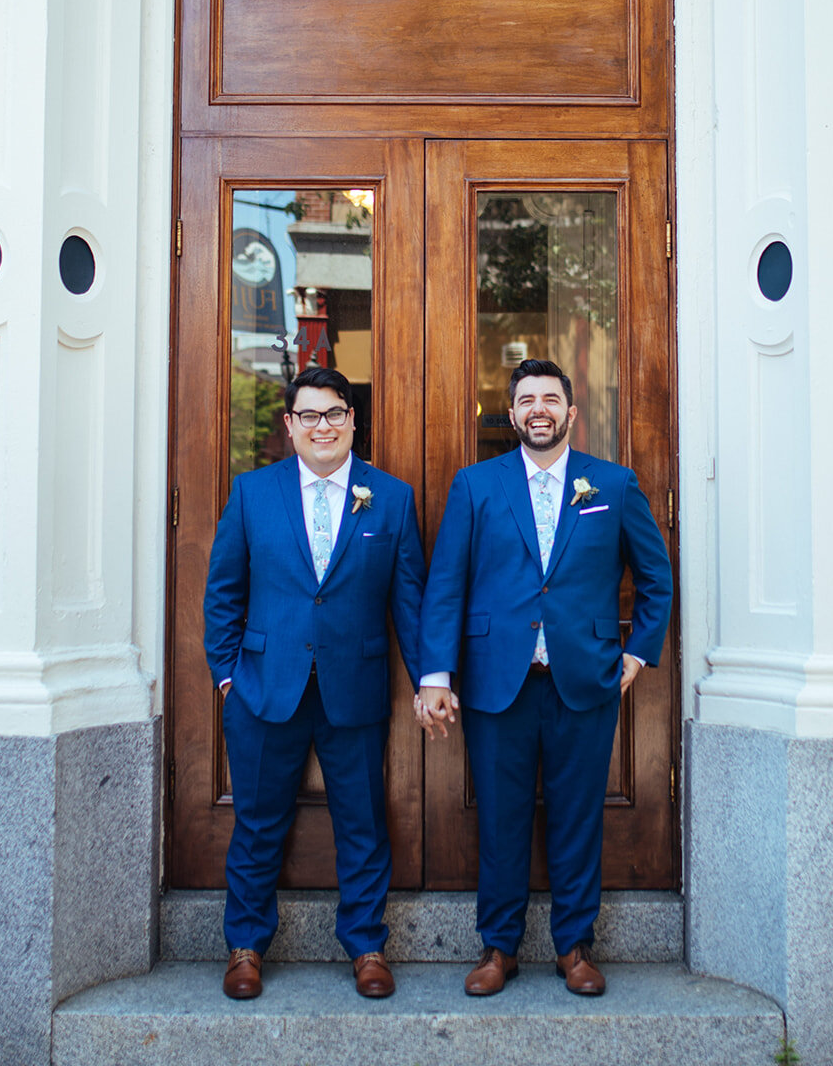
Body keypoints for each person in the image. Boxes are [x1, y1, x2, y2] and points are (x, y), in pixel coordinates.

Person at [415, 358, 672, 998]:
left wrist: (637, 655)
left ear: (570, 413)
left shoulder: (612, 484)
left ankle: (574, 947)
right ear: (511, 415)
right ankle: (498, 948)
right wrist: (436, 674)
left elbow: (656, 578)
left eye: (550, 399)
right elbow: (446, 585)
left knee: (578, 815)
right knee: (501, 817)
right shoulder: (476, 485)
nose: (538, 409)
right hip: (497, 681)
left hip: (584, 679)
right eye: (526, 399)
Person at [204, 366, 424, 1001]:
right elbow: (223, 595)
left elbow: (408, 602)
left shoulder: (392, 497)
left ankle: (366, 945)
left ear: (353, 421)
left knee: (362, 823)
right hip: (263, 688)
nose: (322, 426)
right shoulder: (252, 493)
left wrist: (425, 680)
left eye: (334, 414)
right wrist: (227, 679)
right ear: (290, 425)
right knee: (258, 823)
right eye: (309, 415)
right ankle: (245, 946)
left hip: (353, 687)